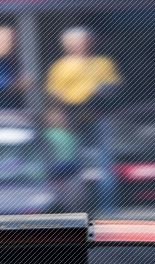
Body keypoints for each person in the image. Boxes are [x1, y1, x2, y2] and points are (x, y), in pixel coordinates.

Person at [45, 27, 122, 214]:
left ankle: (108, 208)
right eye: (75, 42)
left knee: (105, 164)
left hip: (98, 117)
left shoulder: (103, 62)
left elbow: (114, 87)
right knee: (74, 165)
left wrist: (99, 92)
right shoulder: (59, 66)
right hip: (72, 120)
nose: (81, 45)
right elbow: (53, 93)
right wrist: (61, 110)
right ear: (66, 45)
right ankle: (79, 207)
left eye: (84, 41)